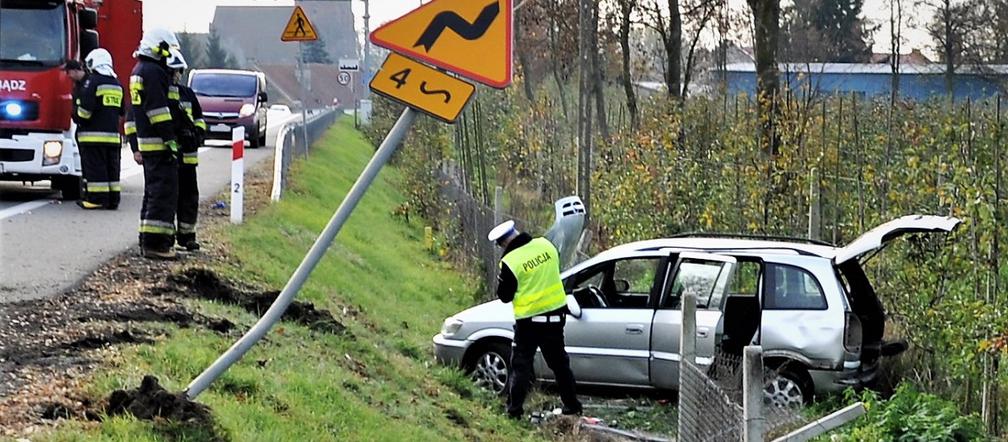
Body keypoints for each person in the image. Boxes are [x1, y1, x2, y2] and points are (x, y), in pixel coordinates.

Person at [489, 220, 582, 420]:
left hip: (528, 323)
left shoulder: (510, 262)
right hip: (556, 317)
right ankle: (572, 406)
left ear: (502, 244)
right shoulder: (545, 244)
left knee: (521, 366)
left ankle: (514, 411)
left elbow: (504, 296)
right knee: (559, 364)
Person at [126, 28, 184, 259]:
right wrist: (170, 139)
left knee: (153, 193)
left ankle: (147, 239)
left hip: (148, 143)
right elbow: (158, 111)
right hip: (158, 143)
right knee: (163, 194)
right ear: (158, 46)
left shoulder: (140, 69)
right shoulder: (154, 72)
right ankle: (156, 245)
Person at [71, 49, 124, 210]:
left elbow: (85, 111)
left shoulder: (92, 82)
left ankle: (96, 199)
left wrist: (76, 115)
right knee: (112, 170)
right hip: (113, 137)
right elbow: (121, 110)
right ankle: (113, 199)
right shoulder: (117, 84)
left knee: (95, 169)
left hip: (92, 137)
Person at [165, 51, 205, 251]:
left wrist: (197, 133)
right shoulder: (159, 93)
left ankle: (187, 236)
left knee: (189, 198)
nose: (177, 75)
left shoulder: (187, 94)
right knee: (168, 198)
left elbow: (199, 118)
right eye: (174, 71)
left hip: (188, 159)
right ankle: (167, 236)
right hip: (169, 157)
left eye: (179, 72)